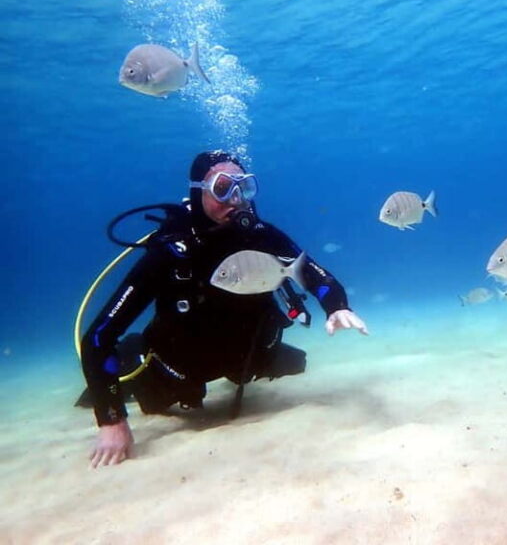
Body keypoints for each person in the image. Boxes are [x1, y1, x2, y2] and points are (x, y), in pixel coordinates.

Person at [80, 150, 368, 468]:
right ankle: (135, 358)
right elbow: (98, 336)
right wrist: (111, 422)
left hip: (249, 356)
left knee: (296, 362)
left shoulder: (262, 236)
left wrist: (336, 307)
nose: (236, 199)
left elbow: (314, 274)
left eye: (244, 188)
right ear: (197, 191)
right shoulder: (171, 252)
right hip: (182, 367)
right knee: (149, 396)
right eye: (222, 188)